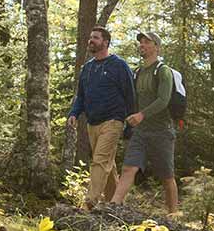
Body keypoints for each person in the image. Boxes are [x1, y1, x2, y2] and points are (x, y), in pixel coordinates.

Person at [111, 32, 180, 214]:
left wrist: (142, 114)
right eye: (141, 42)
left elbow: (163, 100)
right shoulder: (138, 72)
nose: (142, 45)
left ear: (156, 47)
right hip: (140, 132)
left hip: (162, 132)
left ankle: (173, 215)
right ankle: (114, 206)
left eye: (147, 42)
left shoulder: (163, 71)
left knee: (167, 176)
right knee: (128, 168)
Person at [67, 26, 136, 209]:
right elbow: (81, 95)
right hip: (92, 122)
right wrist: (74, 112)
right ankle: (115, 205)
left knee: (99, 160)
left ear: (105, 42)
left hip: (113, 120)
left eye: (95, 38)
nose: (91, 40)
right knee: (107, 163)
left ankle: (89, 202)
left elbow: (130, 94)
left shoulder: (119, 65)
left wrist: (130, 123)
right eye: (90, 37)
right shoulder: (87, 68)